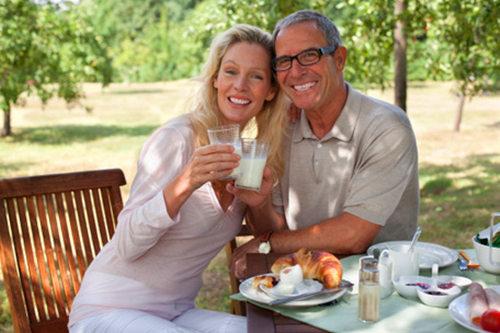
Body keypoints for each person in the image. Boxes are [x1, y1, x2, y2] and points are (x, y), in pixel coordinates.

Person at [68, 24, 288, 333]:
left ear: (271, 91)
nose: (240, 86)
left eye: (256, 76)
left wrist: (260, 204)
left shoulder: (249, 158)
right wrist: (185, 182)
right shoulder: (176, 139)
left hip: (176, 311)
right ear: (215, 80)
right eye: (230, 71)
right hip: (110, 307)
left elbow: (271, 238)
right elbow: (127, 245)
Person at [229, 10, 419, 279]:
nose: (296, 71)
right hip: (301, 284)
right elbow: (274, 226)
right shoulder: (282, 129)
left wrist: (268, 243)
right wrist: (260, 204)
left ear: (339, 59)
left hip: (377, 288)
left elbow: (353, 235)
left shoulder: (386, 128)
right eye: (284, 61)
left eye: (309, 55)